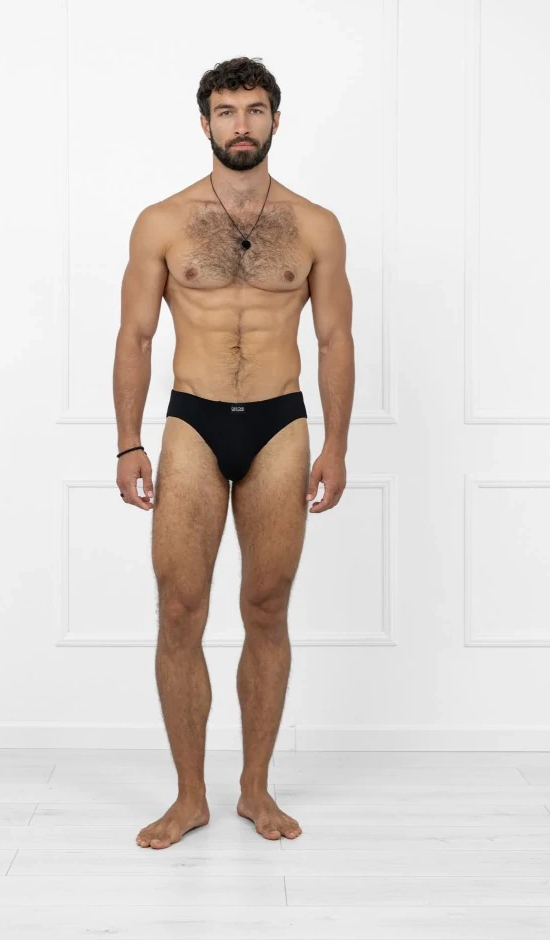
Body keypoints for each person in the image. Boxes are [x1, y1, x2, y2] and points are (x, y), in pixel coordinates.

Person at [113, 56, 354, 849]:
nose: (240, 125)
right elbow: (136, 336)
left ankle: (254, 788)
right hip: (192, 420)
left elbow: (334, 338)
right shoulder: (162, 221)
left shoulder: (314, 224)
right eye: (225, 111)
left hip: (281, 423)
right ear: (204, 123)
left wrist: (336, 445)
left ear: (275, 120)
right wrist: (128, 441)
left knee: (266, 605)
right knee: (180, 608)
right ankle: (189, 796)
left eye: (254, 110)